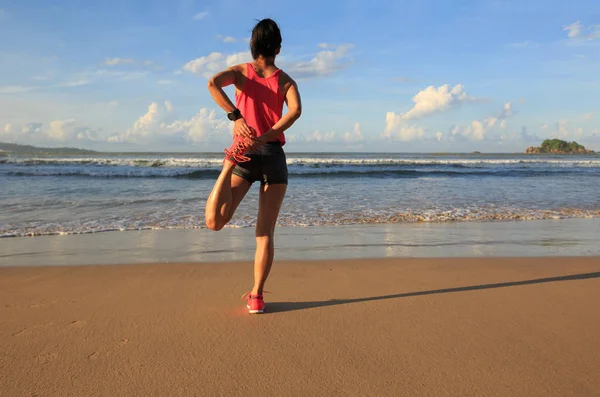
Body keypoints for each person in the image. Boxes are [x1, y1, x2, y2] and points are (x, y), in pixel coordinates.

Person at [204, 18, 302, 314]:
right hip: (272, 154)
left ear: (252, 45)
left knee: (216, 222)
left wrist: (236, 117)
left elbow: (211, 84)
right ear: (278, 49)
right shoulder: (285, 80)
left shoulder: (241, 72)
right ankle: (257, 297)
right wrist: (269, 135)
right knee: (264, 233)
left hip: (242, 153)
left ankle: (224, 168)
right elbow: (296, 111)